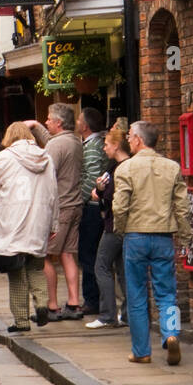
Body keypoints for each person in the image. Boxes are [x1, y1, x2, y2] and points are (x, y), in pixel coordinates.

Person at [113, 120, 189, 365]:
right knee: (167, 293)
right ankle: (171, 334)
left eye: (130, 136)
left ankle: (141, 351)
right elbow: (182, 208)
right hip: (163, 237)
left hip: (136, 236)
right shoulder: (172, 167)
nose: (128, 140)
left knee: (136, 295)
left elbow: (120, 206)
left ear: (138, 139)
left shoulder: (125, 169)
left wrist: (121, 230)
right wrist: (185, 236)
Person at [0, 122, 58, 333]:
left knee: (16, 271)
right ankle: (42, 304)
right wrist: (53, 223)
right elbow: (54, 193)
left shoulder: (6, 157)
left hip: (13, 222)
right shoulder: (45, 157)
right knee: (36, 265)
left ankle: (21, 321)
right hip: (38, 221)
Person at [27, 106, 85, 320]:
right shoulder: (75, 141)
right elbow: (51, 140)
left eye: (49, 119)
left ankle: (52, 306)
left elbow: (44, 171)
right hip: (75, 204)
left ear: (59, 123)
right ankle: (74, 303)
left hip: (59, 208)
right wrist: (35, 126)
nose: (47, 122)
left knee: (44, 255)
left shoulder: (55, 145)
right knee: (68, 254)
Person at [86, 125, 131, 329]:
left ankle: (107, 315)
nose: (104, 148)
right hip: (126, 226)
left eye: (106, 144)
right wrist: (100, 189)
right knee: (122, 270)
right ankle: (127, 314)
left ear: (115, 145)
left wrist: (100, 192)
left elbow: (115, 197)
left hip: (115, 226)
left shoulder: (121, 168)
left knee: (101, 266)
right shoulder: (117, 166)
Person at [77, 107, 109, 314]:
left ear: (85, 125)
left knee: (89, 255)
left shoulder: (93, 147)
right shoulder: (94, 144)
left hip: (93, 208)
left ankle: (92, 300)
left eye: (79, 120)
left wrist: (79, 200)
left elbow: (91, 178)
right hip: (95, 207)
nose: (77, 123)